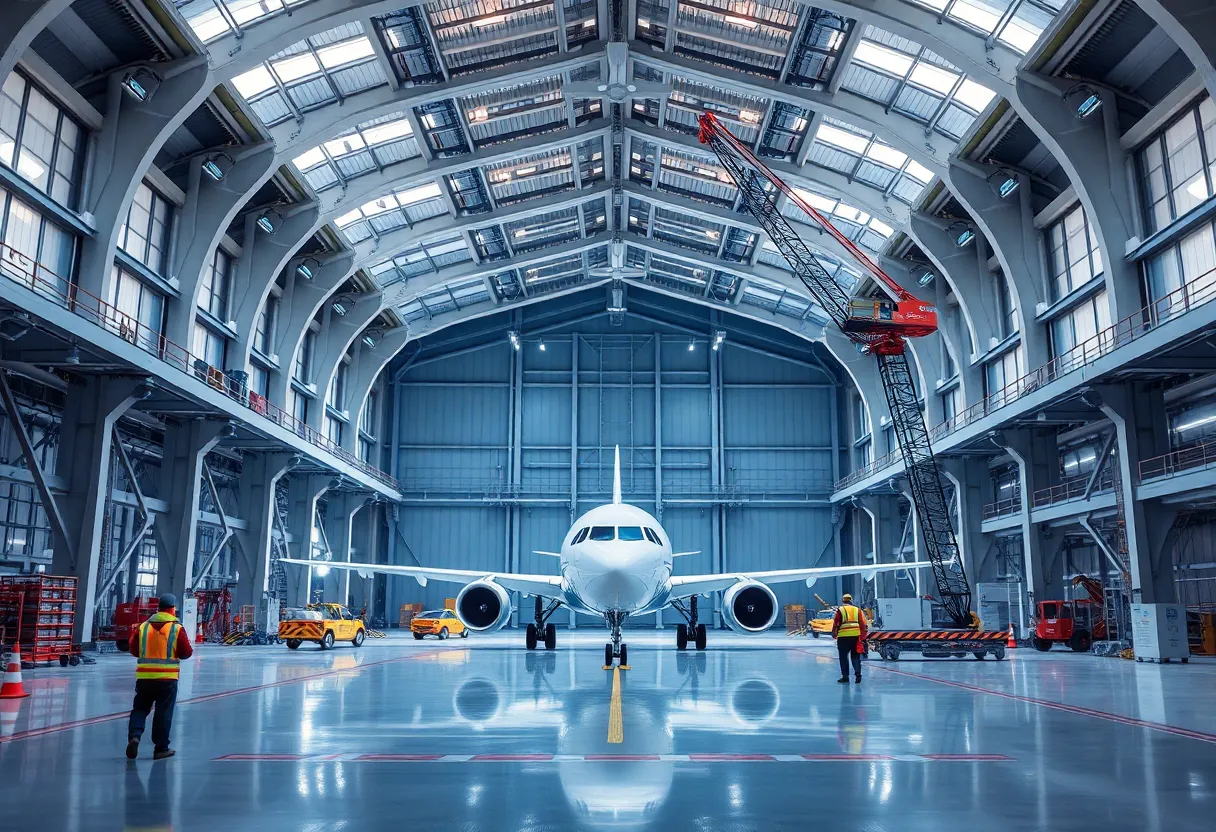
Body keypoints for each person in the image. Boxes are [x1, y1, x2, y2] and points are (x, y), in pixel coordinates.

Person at [126, 593, 193, 760]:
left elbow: (134, 650)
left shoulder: (143, 627)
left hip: (144, 678)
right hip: (167, 679)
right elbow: (186, 653)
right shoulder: (176, 628)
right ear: (172, 609)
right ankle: (160, 748)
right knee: (163, 712)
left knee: (140, 709)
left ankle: (134, 737)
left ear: (158, 608)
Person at [831, 593, 868, 684]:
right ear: (851, 600)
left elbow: (836, 623)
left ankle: (845, 676)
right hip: (855, 636)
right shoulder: (857, 610)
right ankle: (858, 675)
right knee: (855, 656)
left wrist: (834, 633)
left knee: (843, 657)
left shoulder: (840, 610)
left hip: (843, 637)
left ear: (843, 601)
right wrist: (863, 637)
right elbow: (862, 624)